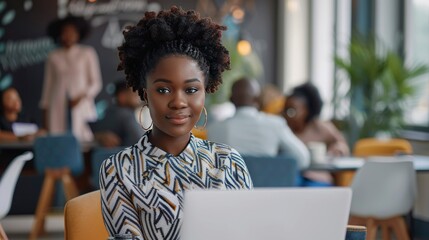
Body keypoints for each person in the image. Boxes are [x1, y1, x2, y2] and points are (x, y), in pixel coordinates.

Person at [99, 6, 253, 239]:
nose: (178, 102)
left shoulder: (228, 162)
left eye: (191, 89)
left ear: (205, 92)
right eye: (163, 89)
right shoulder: (119, 170)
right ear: (144, 93)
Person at [208, 78, 310, 169]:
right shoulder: (275, 124)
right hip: (268, 189)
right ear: (257, 100)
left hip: (231, 189)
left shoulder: (214, 129)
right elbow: (303, 159)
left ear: (231, 99)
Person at [40, 16, 102, 142]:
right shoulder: (53, 56)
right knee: (58, 140)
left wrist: (81, 97)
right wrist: (45, 114)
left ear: (78, 34)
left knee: (83, 140)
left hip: (81, 105)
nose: (68, 35)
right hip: (57, 105)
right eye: (65, 32)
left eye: (72, 32)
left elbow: (96, 83)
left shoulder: (87, 53)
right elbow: (48, 87)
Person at [283, 82, 350, 185]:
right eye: (286, 110)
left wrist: (337, 149)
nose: (288, 115)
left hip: (317, 177)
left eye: (292, 111)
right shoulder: (283, 129)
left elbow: (342, 144)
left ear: (306, 110)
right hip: (293, 177)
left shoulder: (320, 127)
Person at [91, 80, 144, 148]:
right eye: (134, 92)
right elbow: (142, 142)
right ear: (122, 96)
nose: (138, 95)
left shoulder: (109, 113)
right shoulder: (125, 115)